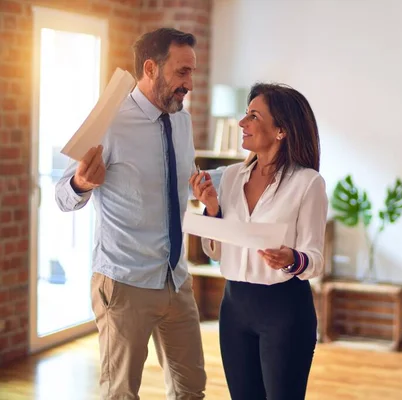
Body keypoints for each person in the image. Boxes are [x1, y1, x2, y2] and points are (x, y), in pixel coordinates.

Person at [55, 28, 214, 399]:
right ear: (150, 68)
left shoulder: (182, 120)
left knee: (192, 390)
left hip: (175, 280)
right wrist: (81, 182)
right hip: (125, 284)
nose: (189, 83)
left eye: (192, 72)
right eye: (182, 72)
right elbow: (63, 196)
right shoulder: (108, 123)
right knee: (121, 393)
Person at [189, 82, 328, 400]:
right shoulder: (232, 177)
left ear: (281, 130)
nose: (242, 123)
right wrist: (212, 209)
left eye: (253, 115)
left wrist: (292, 258)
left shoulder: (308, 183)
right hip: (234, 307)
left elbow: (315, 257)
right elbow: (216, 250)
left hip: (284, 311)